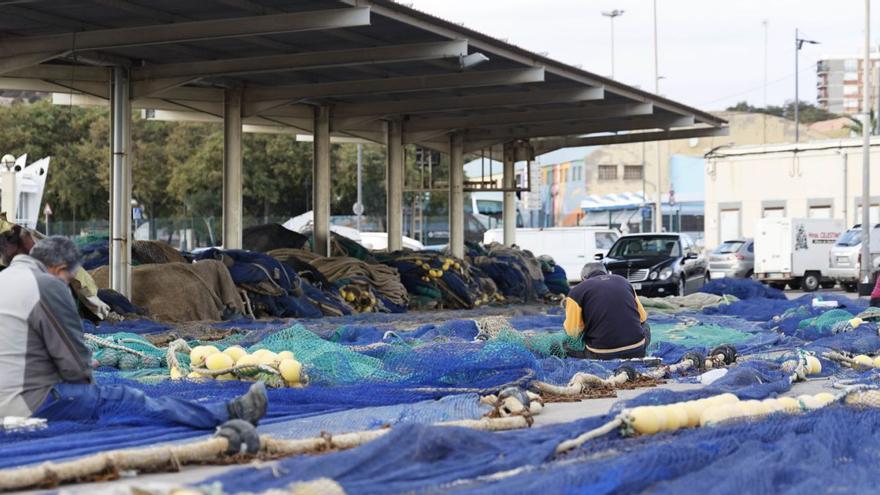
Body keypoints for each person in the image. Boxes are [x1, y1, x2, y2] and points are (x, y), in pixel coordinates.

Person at [0, 235, 267, 428]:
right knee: (123, 397)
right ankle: (224, 415)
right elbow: (74, 367)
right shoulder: (47, 285)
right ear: (58, 269)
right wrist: (85, 381)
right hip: (27, 406)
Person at [562, 261, 650, 360]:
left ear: (583, 279)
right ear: (606, 273)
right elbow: (642, 318)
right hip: (637, 350)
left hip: (601, 354)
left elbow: (573, 332)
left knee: (565, 344)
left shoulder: (576, 291)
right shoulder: (624, 281)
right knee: (646, 326)